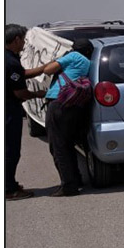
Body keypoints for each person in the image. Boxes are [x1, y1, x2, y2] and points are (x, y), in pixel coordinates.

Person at [41, 39, 94, 197]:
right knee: (68, 143)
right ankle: (75, 179)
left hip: (59, 102)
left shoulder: (73, 56)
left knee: (58, 146)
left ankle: (69, 186)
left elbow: (48, 70)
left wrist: (58, 59)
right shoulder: (88, 62)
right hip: (75, 105)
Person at [5, 24, 48, 200]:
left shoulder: (7, 58)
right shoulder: (11, 62)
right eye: (23, 40)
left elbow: (22, 74)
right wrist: (38, 94)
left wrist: (44, 68)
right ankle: (9, 190)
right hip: (9, 111)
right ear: (16, 40)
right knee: (10, 150)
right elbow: (20, 93)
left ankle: (9, 183)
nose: (24, 43)